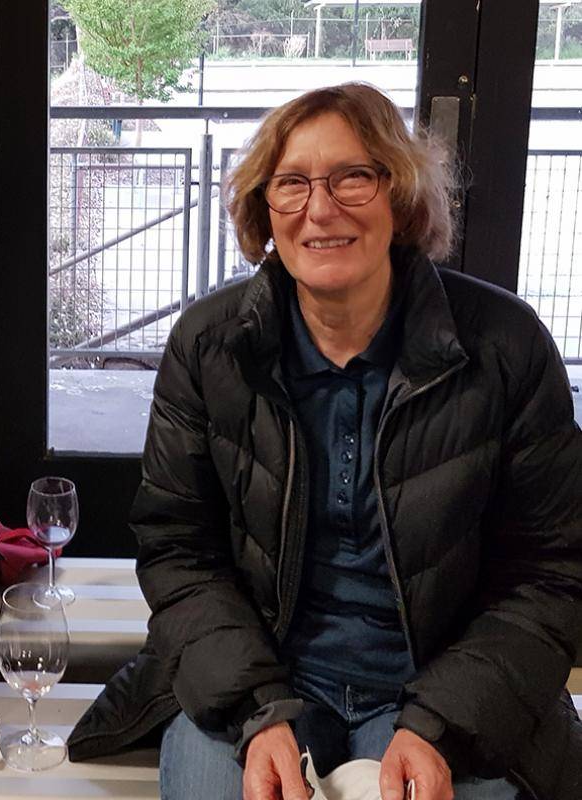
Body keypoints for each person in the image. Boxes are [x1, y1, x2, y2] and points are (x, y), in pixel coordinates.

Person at [67, 83, 582, 800]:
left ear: (400, 196)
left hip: (447, 687)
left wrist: (441, 721)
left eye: (353, 176)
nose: (321, 208)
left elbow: (554, 573)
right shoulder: (209, 346)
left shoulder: (506, 345)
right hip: (262, 678)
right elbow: (179, 550)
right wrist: (257, 712)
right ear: (264, 210)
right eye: (292, 183)